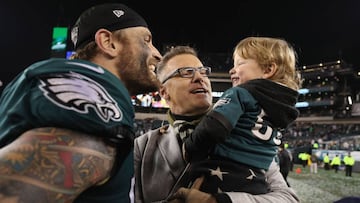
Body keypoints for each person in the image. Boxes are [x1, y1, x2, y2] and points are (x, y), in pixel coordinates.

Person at [0, 3, 161, 203]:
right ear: (108, 42)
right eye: (146, 41)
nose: (157, 53)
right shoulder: (94, 85)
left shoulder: (34, 81)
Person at [134, 45, 299, 203]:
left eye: (203, 72)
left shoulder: (247, 134)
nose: (199, 78)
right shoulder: (142, 147)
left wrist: (218, 201)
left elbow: (287, 199)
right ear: (164, 92)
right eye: (186, 72)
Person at [181, 37, 301, 194]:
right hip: (258, 181)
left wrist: (189, 148)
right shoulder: (283, 109)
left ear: (267, 70)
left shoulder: (240, 92)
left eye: (240, 63)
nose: (232, 70)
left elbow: (213, 128)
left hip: (222, 175)